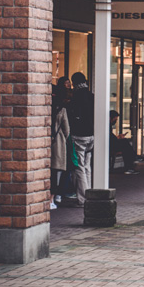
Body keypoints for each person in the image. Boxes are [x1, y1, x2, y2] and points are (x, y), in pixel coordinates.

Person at [68, 71, 95, 206]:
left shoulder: (76, 97)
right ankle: (89, 192)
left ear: (74, 83)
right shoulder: (91, 95)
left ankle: (83, 198)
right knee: (87, 166)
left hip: (79, 135)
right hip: (91, 135)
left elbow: (73, 115)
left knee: (79, 167)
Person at [50, 78, 72, 210]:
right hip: (57, 142)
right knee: (55, 171)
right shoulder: (62, 109)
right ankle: (53, 198)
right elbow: (67, 129)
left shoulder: (45, 106)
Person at [109, 110, 139, 175]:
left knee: (125, 146)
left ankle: (131, 164)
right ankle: (134, 159)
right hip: (109, 146)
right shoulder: (107, 126)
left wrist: (118, 137)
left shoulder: (109, 126)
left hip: (111, 144)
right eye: (115, 119)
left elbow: (111, 137)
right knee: (125, 144)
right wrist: (118, 138)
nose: (115, 121)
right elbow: (110, 138)